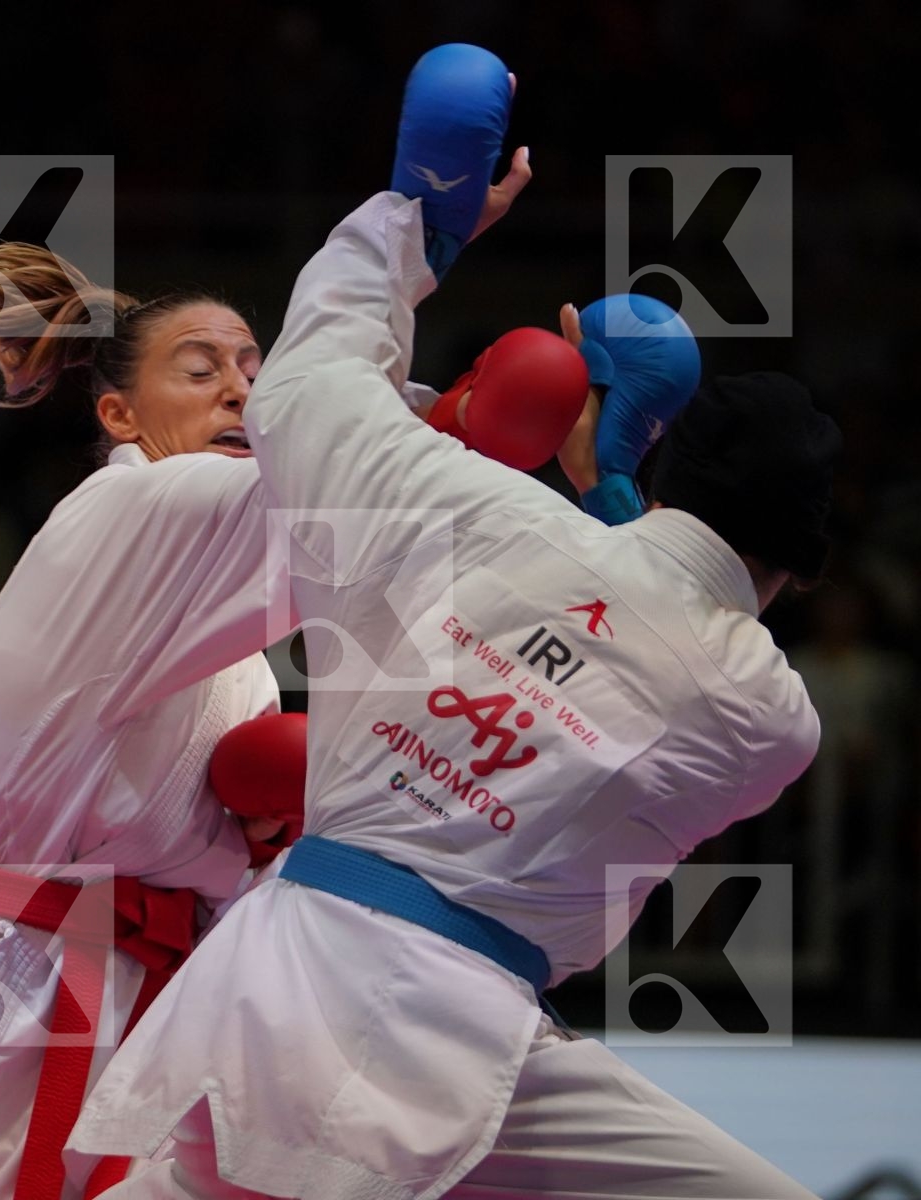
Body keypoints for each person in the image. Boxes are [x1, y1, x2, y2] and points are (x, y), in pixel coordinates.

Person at [68, 48, 838, 1200]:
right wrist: (615, 490)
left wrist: (419, 220)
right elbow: (669, 623)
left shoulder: (474, 509)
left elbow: (308, 387)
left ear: (677, 473)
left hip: (328, 982)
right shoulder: (767, 717)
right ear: (807, 572)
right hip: (439, 1015)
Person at [0, 129, 549, 1199]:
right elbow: (344, 474)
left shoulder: (239, 638)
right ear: (119, 414)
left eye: (258, 373)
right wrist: (416, 244)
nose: (243, 394)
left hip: (164, 1007)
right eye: (203, 369)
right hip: (18, 994)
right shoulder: (140, 507)